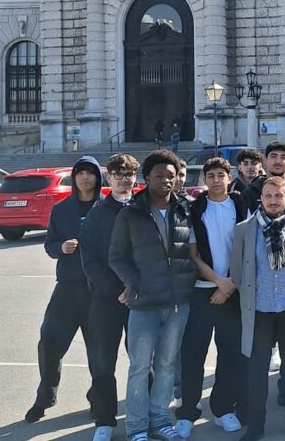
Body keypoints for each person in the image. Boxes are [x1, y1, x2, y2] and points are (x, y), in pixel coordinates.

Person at [109, 150, 197, 441]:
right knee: (139, 367)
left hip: (176, 302)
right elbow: (117, 257)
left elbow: (192, 253)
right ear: (147, 178)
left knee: (168, 364)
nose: (166, 181)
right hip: (144, 303)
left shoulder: (184, 209)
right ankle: (136, 426)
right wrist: (135, 284)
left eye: (171, 176)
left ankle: (161, 419)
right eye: (159, 176)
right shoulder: (131, 213)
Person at [231, 176, 285, 440]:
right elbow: (237, 271)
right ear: (261, 198)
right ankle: (256, 424)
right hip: (260, 310)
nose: (272, 201)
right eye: (267, 196)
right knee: (256, 370)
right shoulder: (245, 229)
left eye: (278, 196)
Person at [176, 158, 250, 437]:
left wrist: (229, 285)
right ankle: (187, 413)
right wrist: (219, 282)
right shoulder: (195, 209)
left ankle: (222, 408)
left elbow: (247, 248)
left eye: (221, 174)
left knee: (230, 353)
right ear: (204, 180)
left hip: (234, 291)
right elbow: (193, 254)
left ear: (229, 177)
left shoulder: (242, 206)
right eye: (211, 175)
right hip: (202, 291)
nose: (217, 180)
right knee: (193, 353)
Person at [25, 156, 102, 425]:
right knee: (49, 343)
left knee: (99, 351)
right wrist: (60, 248)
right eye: (80, 173)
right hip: (67, 289)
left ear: (97, 177)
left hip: (98, 292)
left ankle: (98, 399)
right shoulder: (61, 209)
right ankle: (45, 397)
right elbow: (49, 245)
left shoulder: (106, 208)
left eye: (90, 173)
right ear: (74, 178)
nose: (85, 178)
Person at [80, 153, 138, 441]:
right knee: (103, 361)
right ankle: (104, 420)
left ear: (134, 178)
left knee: (142, 361)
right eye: (118, 174)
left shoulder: (143, 209)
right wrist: (115, 290)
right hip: (105, 300)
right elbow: (88, 257)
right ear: (110, 178)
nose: (123, 179)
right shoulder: (97, 212)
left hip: (139, 298)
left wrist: (135, 287)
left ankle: (142, 416)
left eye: (128, 174)